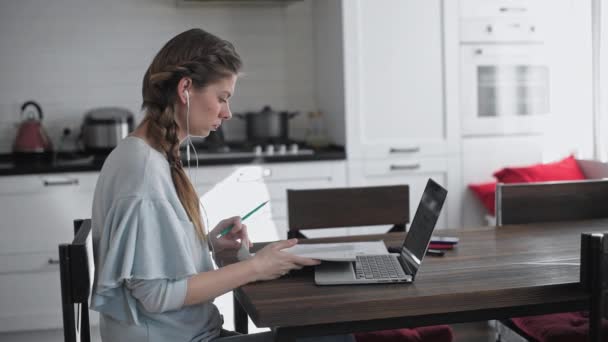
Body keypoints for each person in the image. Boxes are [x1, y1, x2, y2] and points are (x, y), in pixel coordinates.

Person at [90, 28, 347, 342]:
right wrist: (257, 268)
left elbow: (151, 263)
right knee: (330, 338)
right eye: (222, 98)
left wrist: (207, 245)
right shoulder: (144, 172)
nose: (227, 113)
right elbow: (154, 295)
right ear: (186, 88)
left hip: (191, 333)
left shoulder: (144, 155)